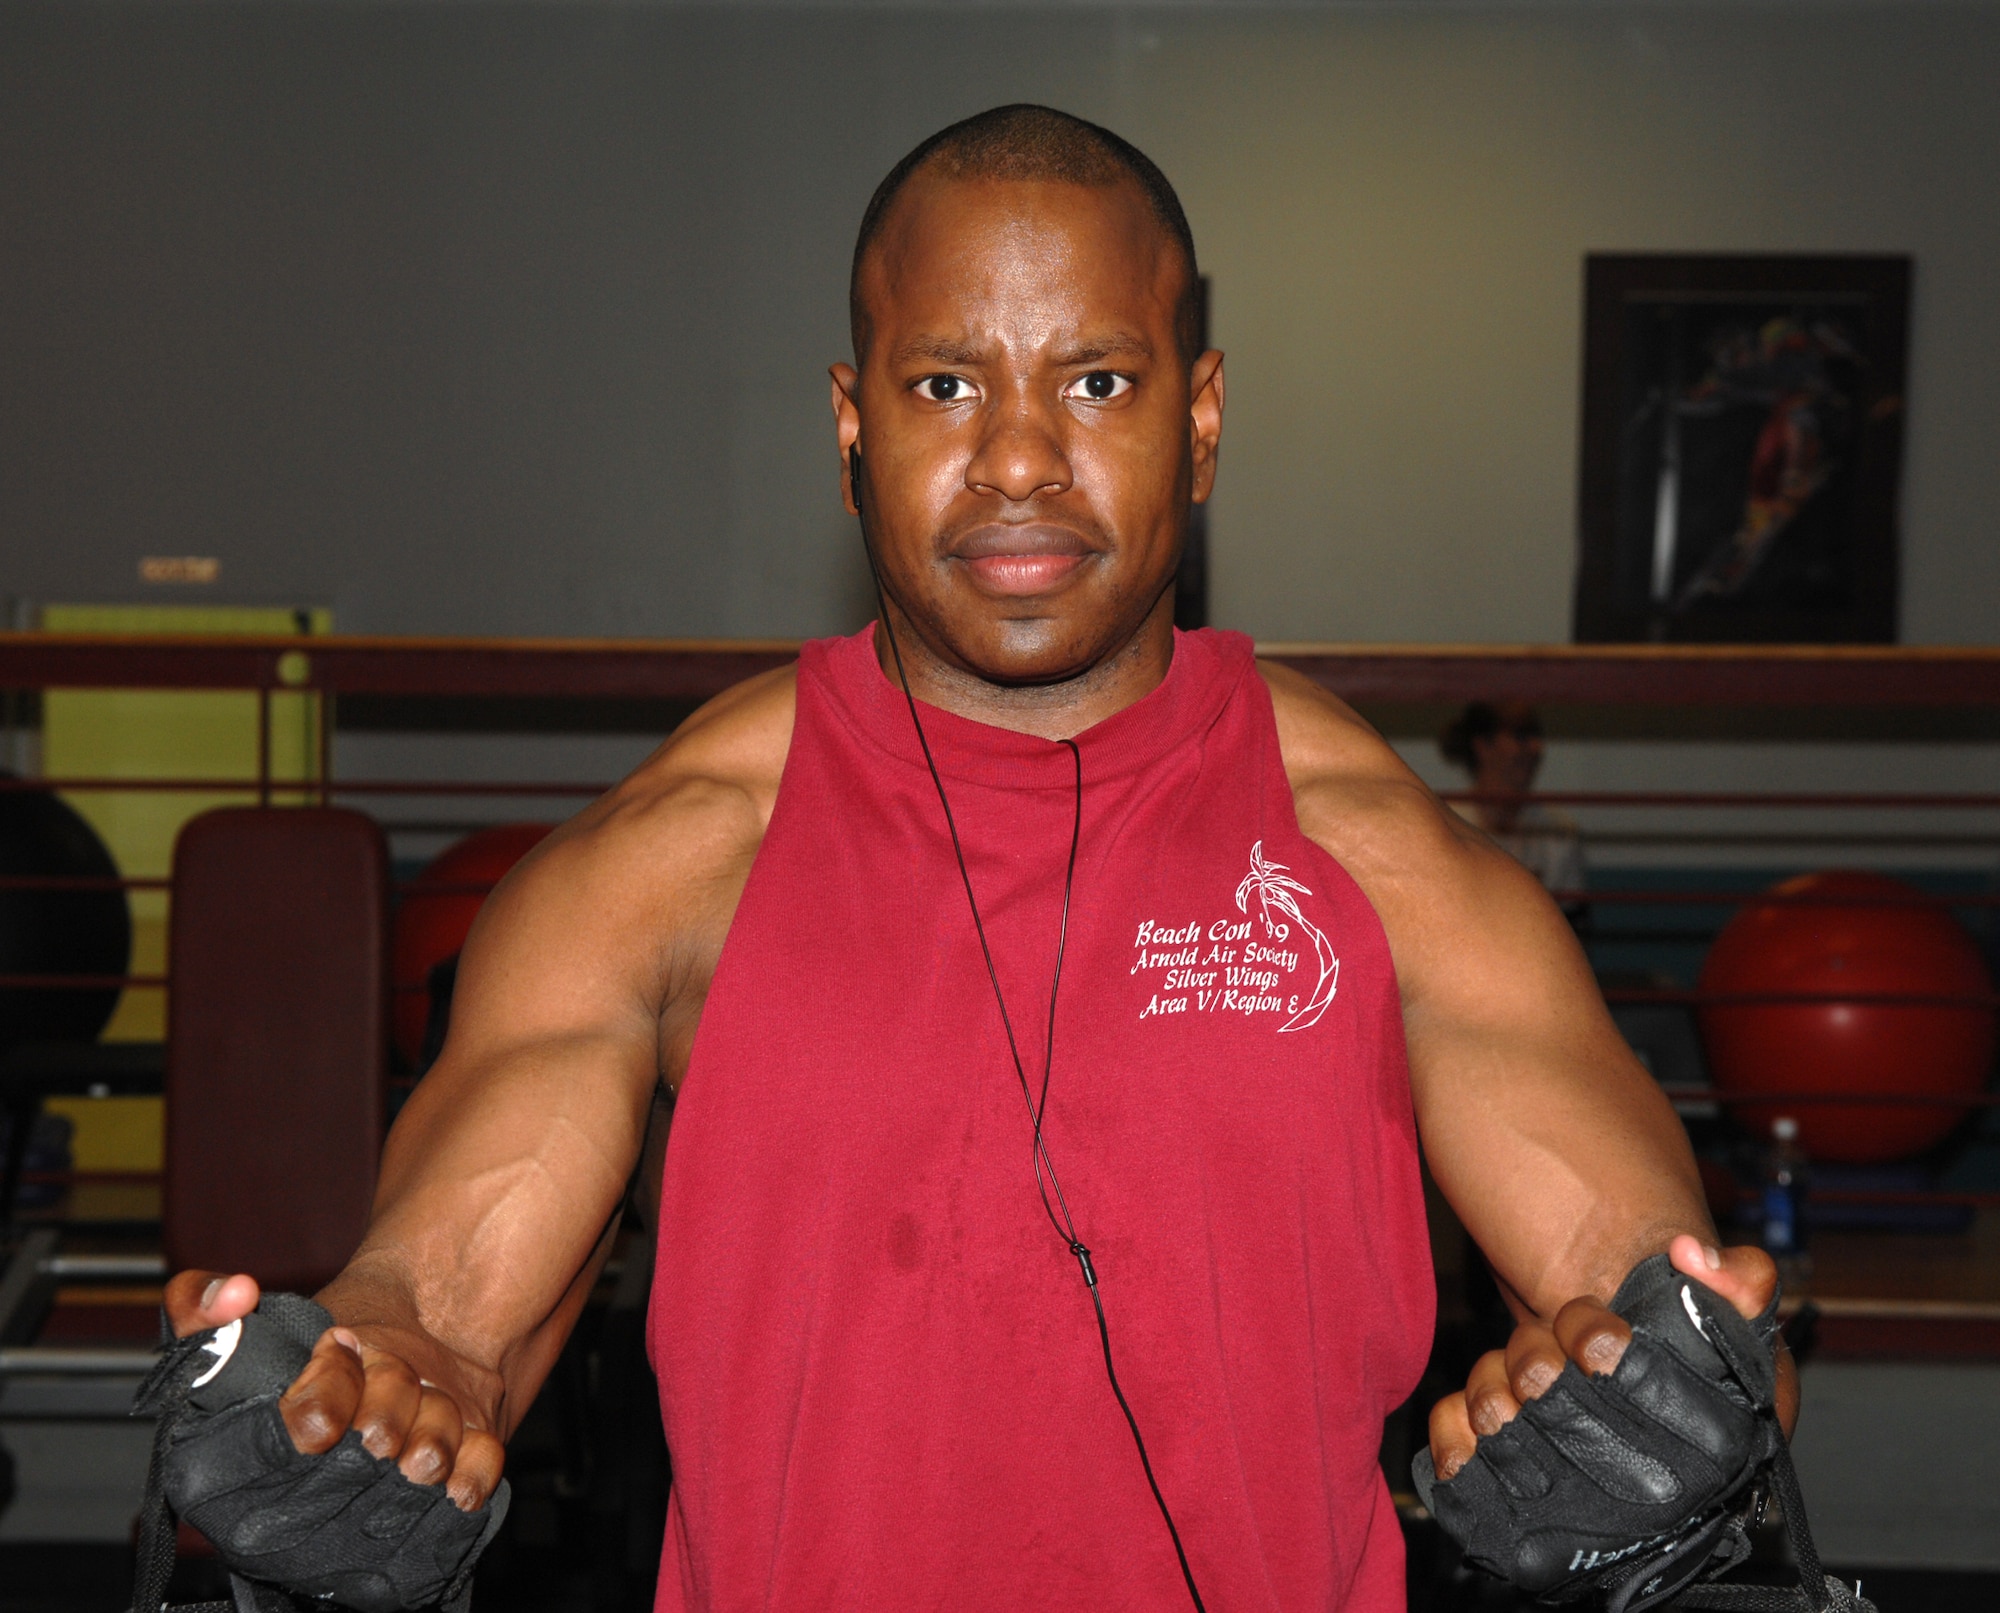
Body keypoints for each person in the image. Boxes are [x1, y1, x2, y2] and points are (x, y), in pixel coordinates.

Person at [164, 106, 1792, 1611]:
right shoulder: (675, 859)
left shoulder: (1369, 855)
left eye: (1097, 380)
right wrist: (360, 1391)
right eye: (946, 383)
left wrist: (1673, 1398)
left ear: (1203, 418)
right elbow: (442, 1304)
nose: (1020, 457)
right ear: (852, 419)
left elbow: (1676, 1304)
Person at [1439, 699, 1587, 910]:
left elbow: (1575, 922)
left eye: (1537, 736)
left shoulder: (1559, 830)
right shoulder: (1443, 822)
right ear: (1483, 745)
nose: (1536, 747)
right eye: (1521, 736)